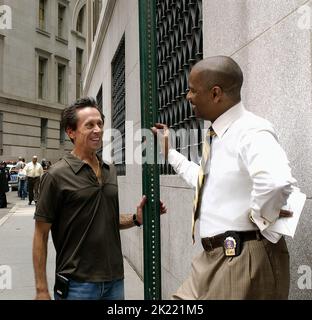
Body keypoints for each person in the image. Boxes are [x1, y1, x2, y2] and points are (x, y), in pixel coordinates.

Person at [152, 56, 297, 299]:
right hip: (211, 259)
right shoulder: (218, 136)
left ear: (216, 93)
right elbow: (201, 181)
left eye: (192, 90)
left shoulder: (251, 129)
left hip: (241, 259)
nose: (187, 96)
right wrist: (170, 153)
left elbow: (275, 181)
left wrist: (261, 215)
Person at [32, 97, 167, 300]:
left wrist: (136, 218)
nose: (97, 130)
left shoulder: (109, 169)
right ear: (71, 132)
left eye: (100, 124)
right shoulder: (56, 175)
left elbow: (106, 219)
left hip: (114, 282)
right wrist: (41, 289)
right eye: (89, 125)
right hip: (77, 285)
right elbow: (40, 235)